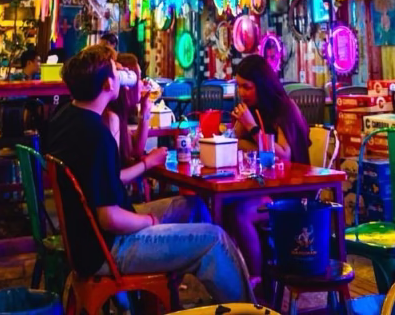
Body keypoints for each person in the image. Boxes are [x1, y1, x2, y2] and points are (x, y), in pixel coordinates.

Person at [47, 44, 253, 304]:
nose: (122, 74)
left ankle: (166, 299)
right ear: (109, 85)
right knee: (215, 239)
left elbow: (103, 186)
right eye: (116, 70)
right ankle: (248, 311)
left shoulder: (65, 117)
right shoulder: (96, 136)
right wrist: (150, 223)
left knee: (193, 207)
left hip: (85, 243)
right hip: (108, 248)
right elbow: (110, 218)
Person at [226, 53, 311, 279]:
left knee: (241, 213)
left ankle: (255, 280)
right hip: (265, 186)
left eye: (247, 87)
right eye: (239, 87)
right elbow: (234, 143)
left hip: (292, 192)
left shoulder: (285, 107)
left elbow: (283, 156)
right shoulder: (252, 109)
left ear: (261, 84)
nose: (242, 93)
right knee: (222, 206)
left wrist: (252, 128)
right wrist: (246, 132)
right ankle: (236, 275)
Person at [103, 52, 152, 182]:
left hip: (113, 199)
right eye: (138, 78)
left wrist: (145, 110)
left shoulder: (118, 115)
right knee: (194, 202)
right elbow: (113, 179)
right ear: (127, 83)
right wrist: (149, 162)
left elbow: (135, 150)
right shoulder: (110, 117)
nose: (142, 83)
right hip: (113, 201)